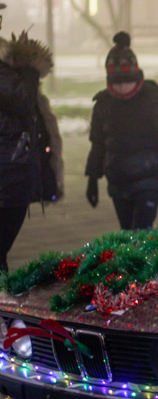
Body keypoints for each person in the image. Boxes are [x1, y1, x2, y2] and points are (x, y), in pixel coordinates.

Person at [85, 31, 158, 230]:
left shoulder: (152, 100)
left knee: (141, 230)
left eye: (126, 81)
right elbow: (98, 143)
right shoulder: (104, 104)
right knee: (128, 232)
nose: (122, 88)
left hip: (149, 179)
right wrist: (92, 179)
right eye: (116, 82)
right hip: (118, 180)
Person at [0, 26, 63, 272]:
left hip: (12, 177)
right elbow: (21, 100)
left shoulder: (9, 70)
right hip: (7, 177)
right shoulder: (9, 74)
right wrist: (29, 69)